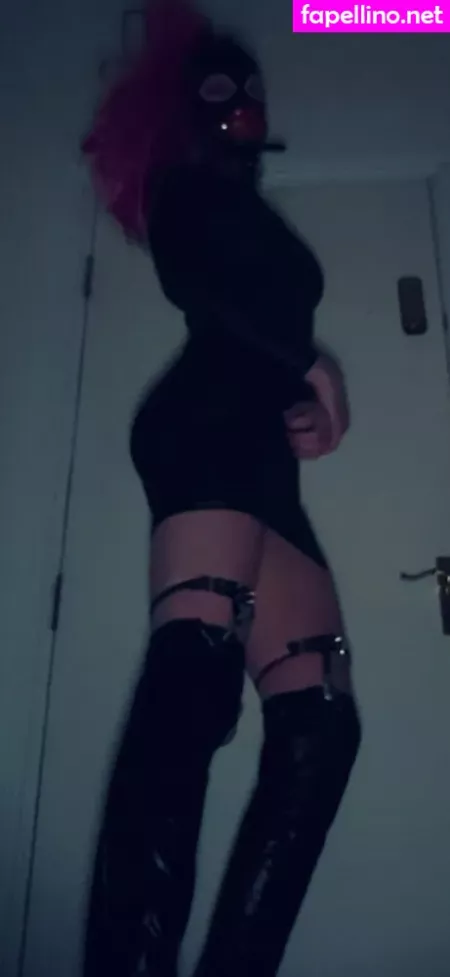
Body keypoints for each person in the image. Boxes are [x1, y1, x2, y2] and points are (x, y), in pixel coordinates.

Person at [81, 3, 361, 976]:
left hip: (257, 460)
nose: (242, 102)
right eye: (219, 89)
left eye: (253, 93)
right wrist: (310, 363)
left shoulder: (242, 204)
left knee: (324, 724)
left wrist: (307, 396)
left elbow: (254, 319)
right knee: (193, 681)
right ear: (180, 107)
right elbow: (199, 282)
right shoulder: (184, 188)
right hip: (203, 431)